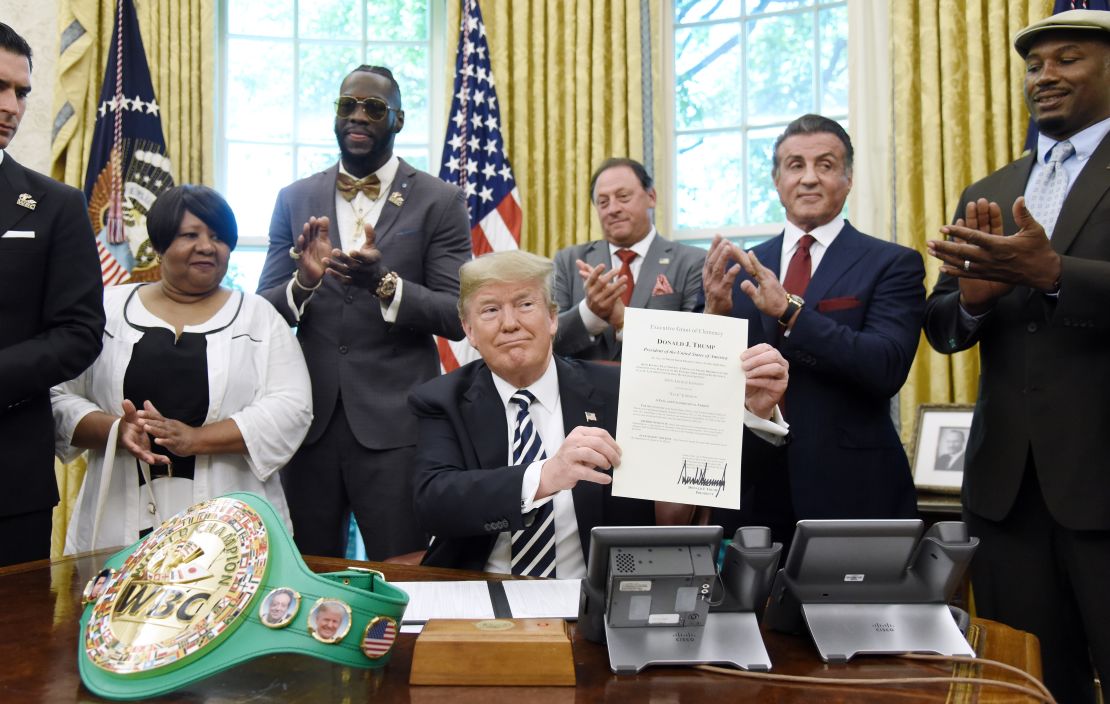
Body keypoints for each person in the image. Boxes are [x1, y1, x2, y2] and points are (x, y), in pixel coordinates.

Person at [923, 10, 1110, 702]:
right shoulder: (992, 190)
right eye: (1035, 66)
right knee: (1021, 685)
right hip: (1005, 496)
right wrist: (972, 300)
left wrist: (1055, 273)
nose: (1046, 76)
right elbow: (942, 325)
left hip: (1102, 482)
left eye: (1068, 59)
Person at [410, 250, 790, 576]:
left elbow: (705, 476)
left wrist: (755, 412)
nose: (510, 323)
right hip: (483, 596)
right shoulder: (442, 400)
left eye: (526, 304)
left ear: (553, 318)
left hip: (596, 595)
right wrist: (545, 475)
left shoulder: (623, 389)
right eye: (491, 310)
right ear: (469, 330)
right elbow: (434, 504)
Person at [256, 65, 471, 560]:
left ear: (397, 120)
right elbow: (264, 310)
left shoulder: (439, 200)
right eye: (347, 105)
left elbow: (456, 314)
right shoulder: (294, 198)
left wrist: (385, 285)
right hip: (307, 423)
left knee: (402, 575)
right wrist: (304, 281)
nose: (358, 115)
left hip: (396, 430)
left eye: (374, 108)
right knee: (305, 574)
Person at [52, 185, 311, 554]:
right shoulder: (105, 310)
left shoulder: (259, 317)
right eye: (190, 235)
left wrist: (195, 440)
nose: (207, 246)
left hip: (231, 521)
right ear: (159, 245)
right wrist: (116, 429)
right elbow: (56, 394)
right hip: (118, 516)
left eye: (219, 237)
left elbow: (292, 407)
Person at [702, 114, 925, 532]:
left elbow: (885, 366)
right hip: (752, 488)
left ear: (848, 178)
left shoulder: (892, 263)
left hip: (853, 489)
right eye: (795, 165)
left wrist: (789, 310)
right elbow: (709, 382)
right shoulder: (744, 267)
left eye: (825, 165)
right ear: (776, 180)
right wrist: (714, 314)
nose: (808, 179)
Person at [0, 23, 105, 566]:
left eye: (21, 92)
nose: (12, 106)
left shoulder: (54, 205)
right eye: (0, 87)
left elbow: (79, 333)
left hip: (8, 480)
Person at [552, 158, 706, 361]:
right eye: (603, 202)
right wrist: (590, 313)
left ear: (651, 197)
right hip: (583, 390)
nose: (613, 209)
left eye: (623, 197)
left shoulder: (692, 262)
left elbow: (698, 346)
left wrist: (624, 321)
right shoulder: (569, 261)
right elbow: (549, 342)